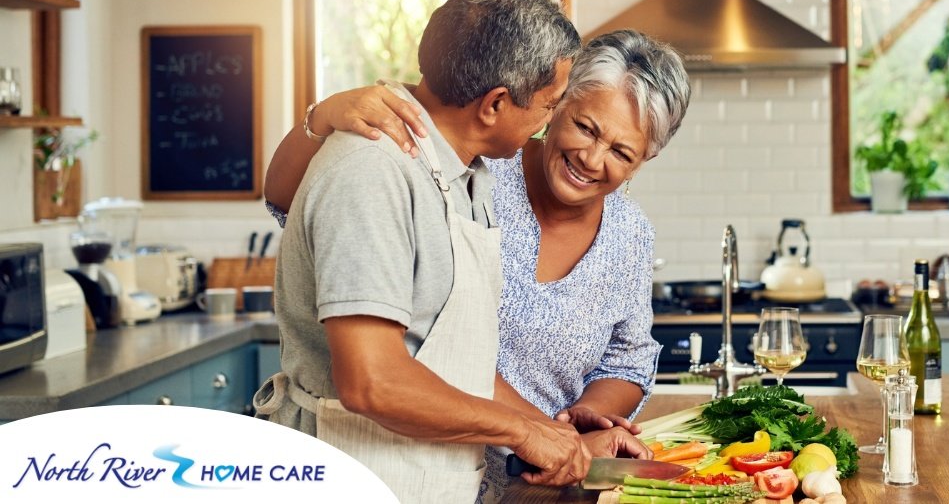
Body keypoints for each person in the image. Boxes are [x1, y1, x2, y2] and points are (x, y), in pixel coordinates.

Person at [265, 29, 692, 502]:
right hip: (410, 460)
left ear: (644, 160)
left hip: (542, 477)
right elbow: (291, 199)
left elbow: (627, 358)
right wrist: (321, 118)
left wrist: (572, 429)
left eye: (621, 152)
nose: (591, 159)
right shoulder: (477, 168)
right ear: (556, 105)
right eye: (586, 128)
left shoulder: (630, 232)